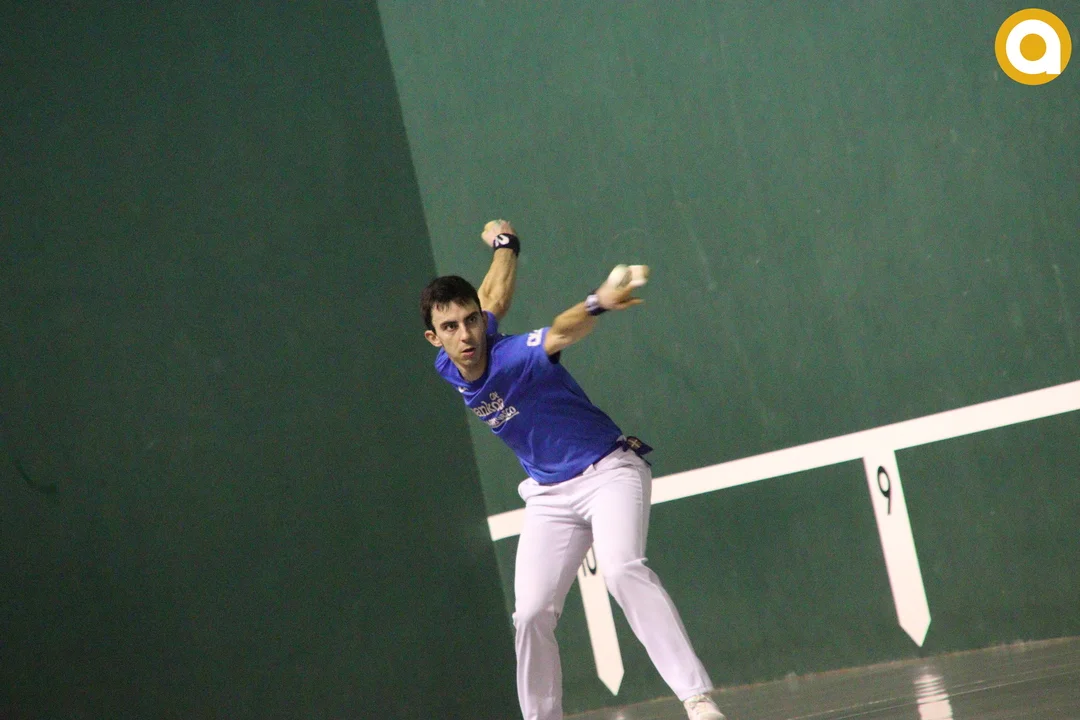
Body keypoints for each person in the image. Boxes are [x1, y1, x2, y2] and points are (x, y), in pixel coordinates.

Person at [421, 220, 725, 720]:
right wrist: (505, 244)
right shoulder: (450, 363)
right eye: (451, 327)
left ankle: (697, 699)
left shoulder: (512, 357)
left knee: (622, 568)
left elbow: (561, 330)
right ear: (434, 339)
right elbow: (493, 295)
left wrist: (597, 303)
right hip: (548, 496)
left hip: (609, 472)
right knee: (530, 613)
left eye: (471, 321)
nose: (467, 334)